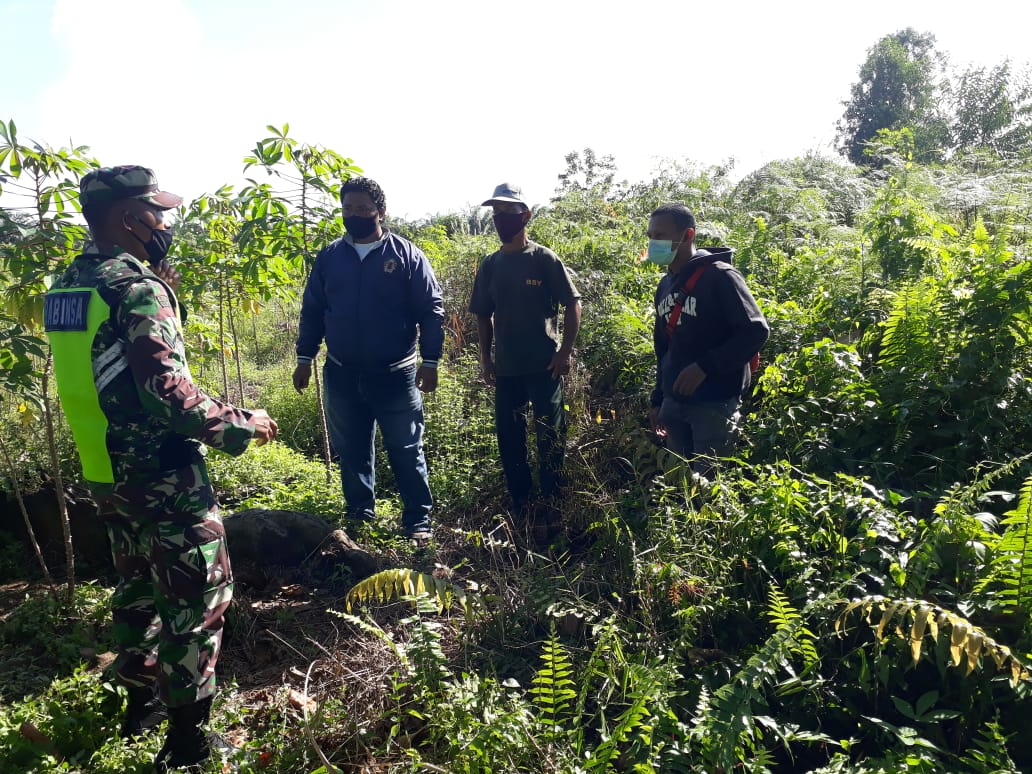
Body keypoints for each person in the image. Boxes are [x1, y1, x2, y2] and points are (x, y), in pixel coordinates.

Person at [44, 165, 278, 771]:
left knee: (137, 590)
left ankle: (140, 709)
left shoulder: (68, 285)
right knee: (197, 601)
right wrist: (241, 424)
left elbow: (102, 370)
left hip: (104, 472)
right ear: (128, 219)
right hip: (161, 474)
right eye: (157, 211)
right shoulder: (135, 288)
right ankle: (188, 744)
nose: (166, 222)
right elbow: (166, 391)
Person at [293, 177, 444, 546]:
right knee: (353, 450)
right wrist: (303, 356)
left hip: (397, 374)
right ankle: (360, 515)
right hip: (342, 372)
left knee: (406, 449)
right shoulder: (330, 257)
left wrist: (431, 361)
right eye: (349, 209)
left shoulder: (407, 256)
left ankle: (417, 521)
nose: (355, 215)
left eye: (363, 209)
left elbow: (431, 310)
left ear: (380, 211)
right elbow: (313, 310)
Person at [468, 183, 581, 540]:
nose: (502, 219)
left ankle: (553, 503)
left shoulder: (543, 259)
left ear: (526, 216)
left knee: (549, 436)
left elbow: (572, 304)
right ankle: (522, 505)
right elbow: (482, 316)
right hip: (507, 370)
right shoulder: (491, 264)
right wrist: (486, 360)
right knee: (510, 437)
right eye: (497, 213)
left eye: (509, 212)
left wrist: (563, 352)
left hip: (544, 367)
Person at [646, 202, 768, 476]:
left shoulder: (720, 276)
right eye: (650, 236)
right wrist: (658, 398)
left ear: (687, 235)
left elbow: (755, 330)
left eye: (660, 235)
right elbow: (663, 347)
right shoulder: (665, 285)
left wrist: (705, 367)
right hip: (674, 403)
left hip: (714, 402)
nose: (654, 242)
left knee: (711, 486)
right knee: (682, 483)